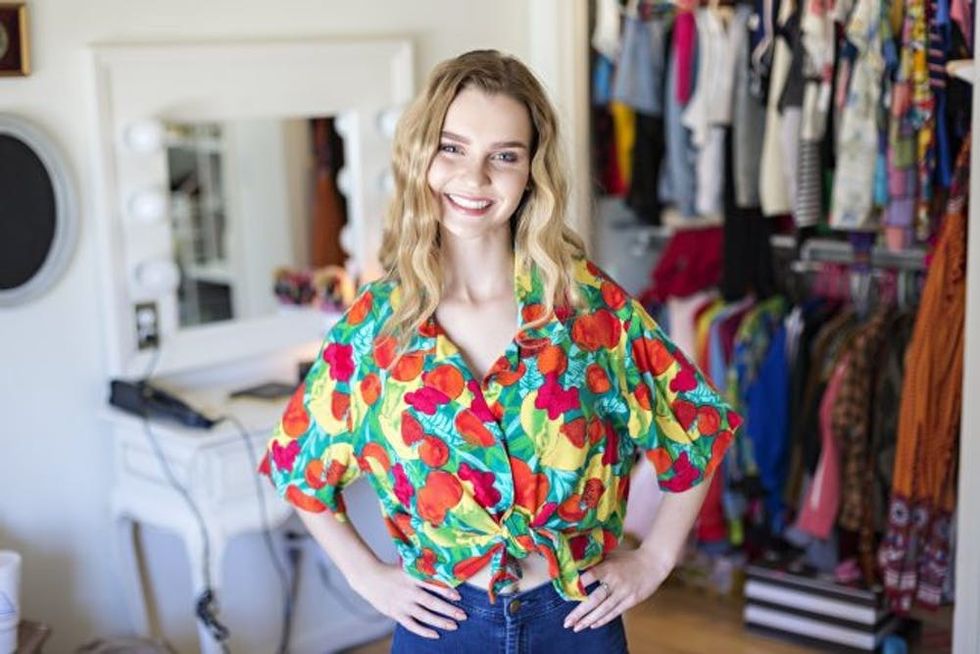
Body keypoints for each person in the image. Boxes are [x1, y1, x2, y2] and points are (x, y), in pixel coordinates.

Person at [258, 49, 742, 653]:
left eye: (504, 156)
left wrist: (657, 559)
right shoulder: (378, 326)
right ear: (420, 157)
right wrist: (368, 576)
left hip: (573, 624)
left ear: (531, 172)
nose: (474, 178)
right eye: (452, 147)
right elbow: (299, 466)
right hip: (442, 627)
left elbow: (695, 426)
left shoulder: (584, 306)